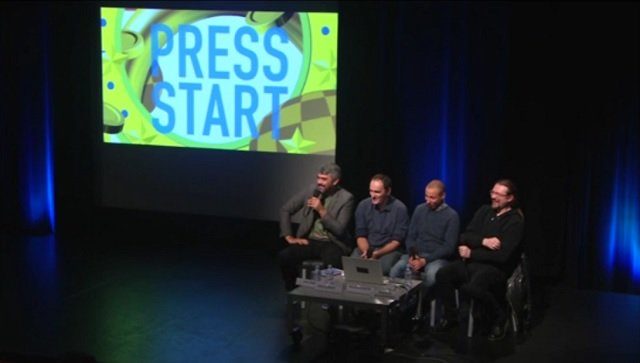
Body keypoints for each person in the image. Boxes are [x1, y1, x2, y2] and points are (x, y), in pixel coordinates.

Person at [434, 179, 524, 341]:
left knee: (473, 287)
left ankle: (499, 316)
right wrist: (484, 241)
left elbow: (502, 256)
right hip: (472, 263)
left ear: (510, 198)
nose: (494, 197)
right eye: (493, 192)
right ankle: (452, 316)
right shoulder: (484, 211)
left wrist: (472, 253)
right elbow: (466, 235)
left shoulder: (515, 221)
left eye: (498, 194)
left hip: (495, 268)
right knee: (443, 274)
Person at [277, 163, 355, 291]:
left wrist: (321, 210)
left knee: (332, 264)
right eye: (318, 178)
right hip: (310, 240)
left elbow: (339, 230)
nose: (319, 182)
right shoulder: (311, 190)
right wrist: (288, 236)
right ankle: (293, 291)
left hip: (332, 242)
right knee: (285, 256)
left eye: (324, 179)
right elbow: (285, 210)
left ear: (335, 181)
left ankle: (327, 300)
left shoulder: (346, 198)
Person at [389, 179, 460, 294]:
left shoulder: (452, 216)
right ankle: (398, 306)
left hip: (436, 258)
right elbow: (411, 236)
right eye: (426, 196)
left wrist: (425, 260)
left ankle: (420, 304)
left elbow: (449, 247)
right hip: (416, 255)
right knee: (396, 271)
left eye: (432, 198)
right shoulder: (419, 209)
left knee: (431, 276)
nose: (428, 200)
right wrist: (413, 254)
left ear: (443, 196)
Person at [351, 174, 409, 275]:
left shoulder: (399, 209)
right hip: (368, 248)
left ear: (388, 191)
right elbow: (361, 235)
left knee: (381, 268)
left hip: (388, 251)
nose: (373, 195)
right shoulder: (363, 206)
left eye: (377, 192)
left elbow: (396, 242)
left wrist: (377, 254)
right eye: (371, 191)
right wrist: (366, 252)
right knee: (352, 267)